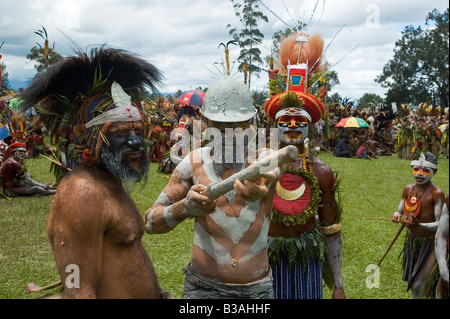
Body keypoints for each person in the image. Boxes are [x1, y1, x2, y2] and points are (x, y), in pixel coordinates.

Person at [21, 47, 168, 299]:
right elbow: (77, 287)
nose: (135, 142)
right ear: (92, 138)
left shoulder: (109, 181)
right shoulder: (82, 193)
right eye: (120, 133)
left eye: (137, 131)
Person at [145, 76, 279, 299]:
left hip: (256, 291)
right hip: (202, 289)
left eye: (237, 125)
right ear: (206, 123)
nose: (228, 133)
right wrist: (184, 208)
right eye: (220, 125)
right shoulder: (193, 162)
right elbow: (150, 223)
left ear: (250, 124)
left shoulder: (266, 158)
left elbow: (270, 171)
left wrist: (261, 183)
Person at [264, 33, 345, 299]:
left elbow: (331, 231)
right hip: (264, 261)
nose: (291, 125)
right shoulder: (260, 167)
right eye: (284, 119)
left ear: (310, 125)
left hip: (307, 259)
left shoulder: (321, 172)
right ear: (275, 125)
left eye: (298, 119)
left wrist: (339, 286)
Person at [391, 152, 446, 298]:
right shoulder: (408, 189)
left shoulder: (436, 193)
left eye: (425, 170)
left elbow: (441, 225)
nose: (419, 174)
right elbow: (400, 210)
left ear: (434, 171)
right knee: (413, 280)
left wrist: (420, 225)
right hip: (414, 241)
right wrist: (397, 215)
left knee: (418, 284)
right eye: (416, 169)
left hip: (433, 244)